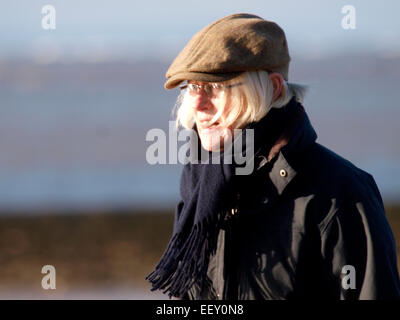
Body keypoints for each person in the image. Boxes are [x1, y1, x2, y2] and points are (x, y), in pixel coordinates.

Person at [146, 13, 400, 300]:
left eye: (216, 87)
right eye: (192, 87)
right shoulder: (200, 188)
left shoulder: (342, 195)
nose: (199, 105)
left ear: (274, 88)